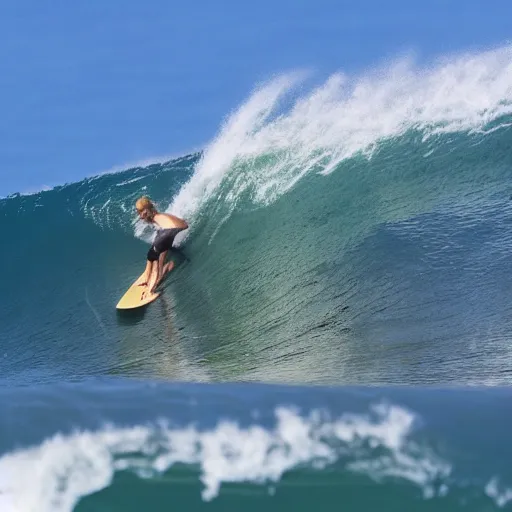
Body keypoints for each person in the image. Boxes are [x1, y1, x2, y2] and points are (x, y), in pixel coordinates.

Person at [134, 196, 188, 300]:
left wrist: (149, 291)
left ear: (145, 212)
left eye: (140, 213)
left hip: (168, 232)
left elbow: (163, 239)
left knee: (155, 261)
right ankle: (150, 274)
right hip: (173, 228)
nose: (140, 217)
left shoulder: (160, 238)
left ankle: (150, 290)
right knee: (153, 255)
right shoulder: (157, 215)